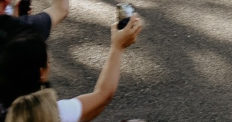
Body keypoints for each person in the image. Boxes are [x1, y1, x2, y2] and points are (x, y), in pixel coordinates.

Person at [0, 13, 144, 122]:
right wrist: (118, 47)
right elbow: (102, 95)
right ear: (41, 73)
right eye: (48, 62)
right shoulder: (56, 115)